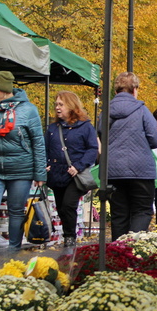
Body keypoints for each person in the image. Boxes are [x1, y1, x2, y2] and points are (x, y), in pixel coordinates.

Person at [0, 71, 46, 268]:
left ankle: (13, 252)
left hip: (21, 169)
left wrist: (40, 174)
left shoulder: (28, 110)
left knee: (16, 211)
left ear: (4, 90)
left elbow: (38, 143)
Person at [107, 72, 157, 240]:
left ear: (116, 90)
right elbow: (155, 139)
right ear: (135, 89)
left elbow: (101, 134)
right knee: (142, 210)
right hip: (141, 170)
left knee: (119, 214)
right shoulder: (142, 111)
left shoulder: (106, 111)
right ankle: (132, 247)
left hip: (114, 171)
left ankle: (118, 253)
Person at [44, 91, 99, 247]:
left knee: (69, 204)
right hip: (56, 174)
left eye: (61, 104)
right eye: (56, 104)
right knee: (61, 207)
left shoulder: (85, 127)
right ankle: (67, 234)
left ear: (71, 105)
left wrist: (79, 166)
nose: (57, 108)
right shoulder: (52, 128)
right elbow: (45, 148)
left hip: (75, 175)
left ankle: (70, 237)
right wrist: (45, 164)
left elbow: (92, 149)